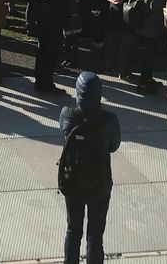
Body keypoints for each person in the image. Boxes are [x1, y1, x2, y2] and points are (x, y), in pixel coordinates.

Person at [58, 72, 121, 264]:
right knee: (95, 236)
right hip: (99, 184)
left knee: (73, 231)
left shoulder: (67, 114)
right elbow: (114, 146)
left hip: (73, 182)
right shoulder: (109, 120)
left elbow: (64, 133)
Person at [30, 0, 70, 95]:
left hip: (41, 15)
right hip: (53, 17)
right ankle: (46, 83)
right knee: (50, 51)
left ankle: (40, 80)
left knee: (42, 50)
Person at [132, 0, 166, 95]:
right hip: (150, 29)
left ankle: (147, 79)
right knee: (149, 57)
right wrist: (162, 30)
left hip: (141, 24)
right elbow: (156, 15)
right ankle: (144, 82)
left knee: (146, 55)